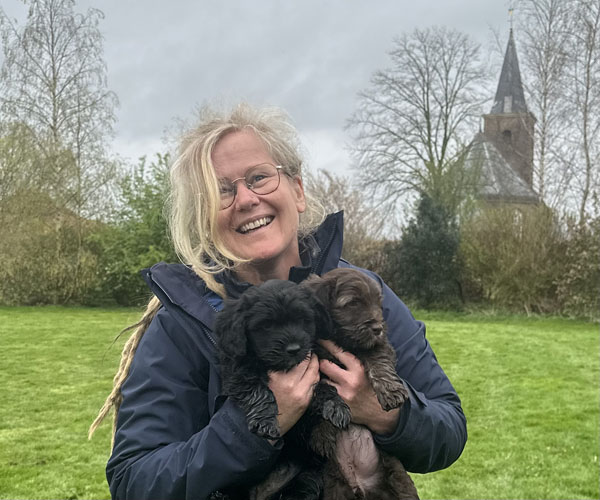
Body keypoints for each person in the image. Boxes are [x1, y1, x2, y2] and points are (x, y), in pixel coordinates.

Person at [89, 103, 467, 499]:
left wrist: (383, 411)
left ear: (297, 190)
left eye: (259, 177)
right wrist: (254, 424)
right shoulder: (182, 322)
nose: (246, 199)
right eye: (222, 191)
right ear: (203, 218)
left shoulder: (360, 293)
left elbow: (449, 429)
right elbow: (135, 481)